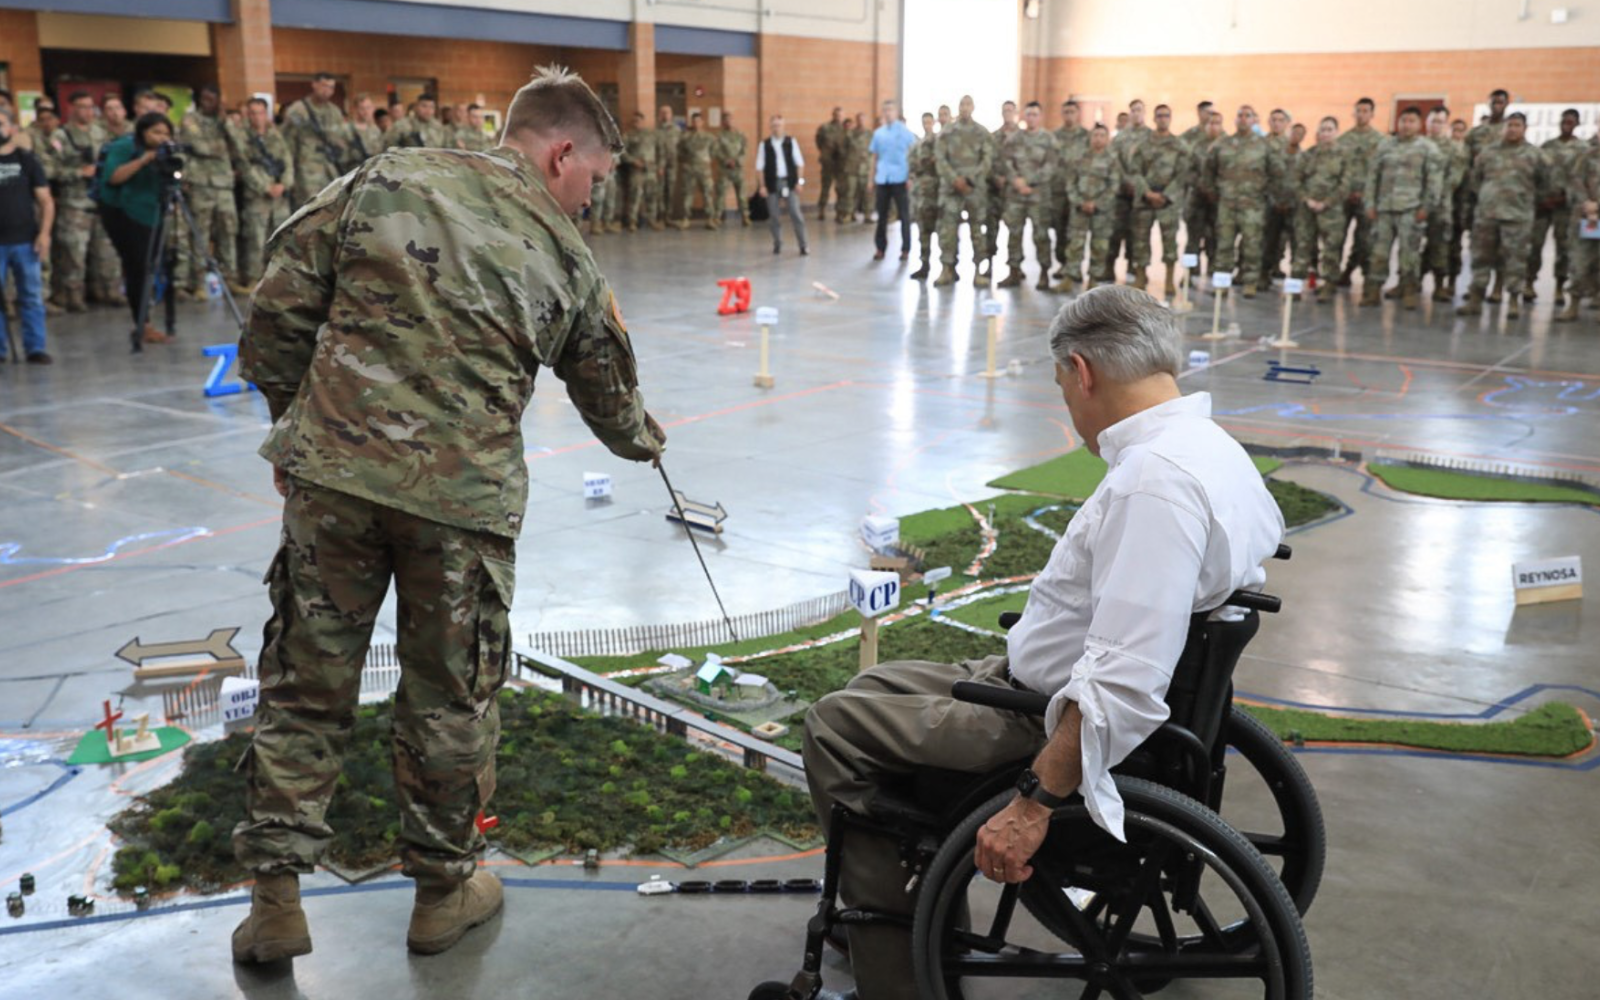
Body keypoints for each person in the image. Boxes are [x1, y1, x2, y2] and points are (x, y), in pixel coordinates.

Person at [230, 65, 665, 964]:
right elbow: (611, 402)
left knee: (305, 682)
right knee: (449, 698)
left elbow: (279, 297)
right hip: (461, 509)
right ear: (561, 153)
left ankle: (274, 903)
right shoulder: (565, 254)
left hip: (335, 482)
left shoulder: (388, 175)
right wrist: (648, 444)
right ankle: (441, 893)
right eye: (594, 177)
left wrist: (297, 425)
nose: (592, 199)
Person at [802, 285, 1284, 1000]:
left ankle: (895, 949)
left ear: (1081, 372)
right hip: (1051, 682)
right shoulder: (1209, 447)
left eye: (1062, 387)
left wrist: (1031, 803)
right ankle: (896, 905)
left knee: (832, 727)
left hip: (1043, 720)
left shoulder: (1152, 485)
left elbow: (1122, 681)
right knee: (874, 686)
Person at [1457, 112, 1550, 320]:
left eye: (1517, 125)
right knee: (1481, 258)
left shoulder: (1536, 155)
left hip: (1518, 217)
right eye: (1510, 125)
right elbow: (1476, 180)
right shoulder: (1488, 152)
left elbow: (1545, 185)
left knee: (1515, 261)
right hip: (1487, 215)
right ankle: (1475, 299)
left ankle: (1514, 301)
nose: (1512, 129)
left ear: (1525, 128)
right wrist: (1487, 197)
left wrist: (1526, 202)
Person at [99, 111, 177, 347]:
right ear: (142, 132)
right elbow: (113, 177)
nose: (161, 137)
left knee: (159, 264)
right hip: (123, 212)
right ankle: (142, 324)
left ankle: (164, 322)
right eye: (156, 132)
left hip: (152, 213)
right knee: (139, 268)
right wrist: (144, 159)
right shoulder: (124, 146)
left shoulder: (166, 151)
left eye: (166, 133)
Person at [1361, 106, 1441, 309]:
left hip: (1411, 209)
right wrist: (1369, 203)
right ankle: (1373, 291)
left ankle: (1409, 291)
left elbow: (1434, 182)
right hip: (1384, 209)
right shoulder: (1385, 145)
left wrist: (1426, 207)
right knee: (1378, 253)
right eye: (1403, 120)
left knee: (1409, 254)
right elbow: (1372, 176)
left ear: (1420, 124)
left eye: (1411, 121)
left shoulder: (1428, 148)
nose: (1406, 125)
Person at [51, 90, 121, 312]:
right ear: (71, 108)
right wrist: (79, 172)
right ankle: (72, 296)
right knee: (74, 253)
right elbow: (49, 169)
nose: (88, 111)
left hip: (101, 201)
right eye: (82, 106)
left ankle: (109, 290)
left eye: (91, 107)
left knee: (107, 250)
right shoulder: (60, 136)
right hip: (75, 204)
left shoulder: (102, 133)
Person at [1205, 105, 1284, 298]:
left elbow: (1277, 172)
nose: (1243, 119)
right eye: (1240, 115)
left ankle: (1250, 282)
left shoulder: (1264, 145)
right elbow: (1209, 169)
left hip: (1253, 206)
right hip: (1227, 205)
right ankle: (1222, 282)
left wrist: (1268, 195)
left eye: (1247, 116)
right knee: (1224, 245)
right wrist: (1212, 191)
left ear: (1254, 120)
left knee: (1252, 245)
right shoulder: (1223, 144)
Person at [176, 84, 242, 298]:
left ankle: (230, 279)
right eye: (204, 99)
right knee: (201, 234)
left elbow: (240, 146)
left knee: (228, 232)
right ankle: (199, 282)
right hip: (200, 184)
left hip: (224, 185)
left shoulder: (225, 122)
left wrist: (226, 122)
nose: (208, 103)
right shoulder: (190, 120)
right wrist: (220, 147)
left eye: (212, 99)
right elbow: (198, 146)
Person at [0, 108, 54, 364]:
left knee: (31, 296)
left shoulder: (27, 160)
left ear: (12, 128)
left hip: (25, 239)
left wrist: (44, 234)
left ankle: (35, 347)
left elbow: (45, 200)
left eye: (1, 123)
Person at [1126, 103, 1189, 296]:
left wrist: (1166, 195)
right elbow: (1135, 171)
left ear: (1170, 119)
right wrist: (1147, 193)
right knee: (1140, 240)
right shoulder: (1143, 145)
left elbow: (1182, 174)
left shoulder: (1179, 145)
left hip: (1167, 201)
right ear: (1154, 118)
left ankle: (1169, 279)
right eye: (1159, 115)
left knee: (1170, 241)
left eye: (1166, 116)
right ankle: (1140, 276)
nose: (1163, 119)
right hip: (1145, 200)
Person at [933, 95, 994, 288]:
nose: (965, 108)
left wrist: (969, 180)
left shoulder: (982, 132)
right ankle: (947, 269)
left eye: (968, 104)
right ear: (958, 107)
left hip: (974, 190)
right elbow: (940, 158)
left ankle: (978, 272)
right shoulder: (947, 132)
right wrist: (954, 180)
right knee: (948, 231)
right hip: (951, 190)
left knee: (977, 231)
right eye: (962, 104)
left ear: (973, 107)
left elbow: (987, 159)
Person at [996, 100, 1058, 289]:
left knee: (1041, 235)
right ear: (1024, 116)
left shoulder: (1049, 140)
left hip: (1038, 195)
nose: (1031, 118)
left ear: (1040, 117)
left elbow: (1051, 166)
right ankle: (1013, 271)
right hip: (1016, 195)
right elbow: (1006, 162)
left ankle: (1044, 273)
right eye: (1028, 114)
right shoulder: (1014, 139)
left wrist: (1029, 182)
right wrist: (1016, 180)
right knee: (1014, 233)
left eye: (1035, 114)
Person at [233, 97, 294, 287]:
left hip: (280, 198)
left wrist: (284, 184)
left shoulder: (275, 135)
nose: (257, 117)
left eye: (260, 113)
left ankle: (278, 278)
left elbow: (287, 161)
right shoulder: (241, 137)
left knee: (281, 238)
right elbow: (244, 166)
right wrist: (265, 187)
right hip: (257, 197)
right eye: (253, 113)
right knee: (255, 239)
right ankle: (254, 278)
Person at [1527, 108, 1584, 307]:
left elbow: (1582, 178)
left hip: (1566, 207)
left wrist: (1565, 197)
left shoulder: (1582, 149)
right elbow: (1537, 173)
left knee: (1564, 248)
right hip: (1543, 205)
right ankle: (1529, 283)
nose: (1566, 124)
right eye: (1564, 121)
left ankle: (1559, 287)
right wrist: (1540, 197)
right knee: (1534, 244)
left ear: (1577, 124)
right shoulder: (1547, 146)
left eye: (1570, 122)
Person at [1055, 122, 1120, 293]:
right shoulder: (1079, 158)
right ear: (1090, 138)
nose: (1098, 139)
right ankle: (1069, 278)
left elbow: (1113, 186)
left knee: (1100, 245)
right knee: (1075, 244)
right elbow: (1071, 183)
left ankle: (1094, 279)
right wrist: (1080, 202)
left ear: (1107, 139)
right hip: (1079, 210)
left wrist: (1097, 204)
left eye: (1102, 135)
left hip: (1102, 212)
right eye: (1095, 135)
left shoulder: (1112, 160)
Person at [1291, 116, 1347, 303]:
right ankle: (1295, 285)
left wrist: (1327, 202)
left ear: (1336, 132)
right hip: (1306, 209)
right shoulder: (1308, 155)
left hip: (1331, 211)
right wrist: (1306, 199)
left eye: (1330, 130)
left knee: (1330, 249)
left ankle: (1329, 285)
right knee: (1302, 247)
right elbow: (1296, 180)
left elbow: (1345, 184)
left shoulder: (1344, 156)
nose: (1326, 133)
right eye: (1323, 129)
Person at [284, 72, 354, 205]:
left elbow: (341, 140)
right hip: (307, 172)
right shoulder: (298, 110)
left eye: (331, 87)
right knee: (309, 208)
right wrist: (290, 174)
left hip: (331, 170)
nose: (327, 90)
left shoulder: (334, 111)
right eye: (324, 86)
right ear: (314, 85)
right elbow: (288, 145)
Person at [1424, 106, 1471, 302]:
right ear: (1427, 122)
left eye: (1440, 122)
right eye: (1433, 121)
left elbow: (1454, 180)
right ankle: (1408, 282)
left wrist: (1432, 196)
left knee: (1440, 246)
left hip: (1441, 205)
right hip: (1413, 204)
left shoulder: (1454, 149)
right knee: (1410, 245)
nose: (1436, 125)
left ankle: (1439, 285)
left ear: (1445, 125)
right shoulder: (1418, 144)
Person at [1335, 97, 1383, 286]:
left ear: (1372, 114)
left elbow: (1381, 172)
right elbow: (1336, 169)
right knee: (1337, 236)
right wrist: (1345, 191)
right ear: (1353, 113)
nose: (1361, 115)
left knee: (1364, 239)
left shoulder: (1380, 141)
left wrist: (1367, 193)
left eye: (1365, 111)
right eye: (1358, 111)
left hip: (1367, 197)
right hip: (1343, 197)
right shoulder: (1342, 140)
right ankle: (1333, 274)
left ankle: (1352, 269)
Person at [1556, 139, 1599, 323]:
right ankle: (1573, 304)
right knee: (1579, 263)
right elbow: (1574, 182)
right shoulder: (1585, 157)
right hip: (1585, 218)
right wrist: (1586, 204)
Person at [868, 100, 916, 262]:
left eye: (891, 110)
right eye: (885, 110)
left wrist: (911, 176)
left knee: (904, 215)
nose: (888, 113)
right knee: (881, 216)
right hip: (883, 179)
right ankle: (880, 248)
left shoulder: (905, 132)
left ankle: (905, 249)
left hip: (900, 179)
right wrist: (871, 179)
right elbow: (874, 157)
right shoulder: (878, 134)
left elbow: (913, 155)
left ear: (896, 113)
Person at [756, 113, 808, 256]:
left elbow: (800, 164)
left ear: (783, 126)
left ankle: (803, 245)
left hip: (789, 183)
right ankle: (777, 243)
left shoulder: (791, 142)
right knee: (774, 215)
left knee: (795, 213)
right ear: (770, 127)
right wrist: (762, 186)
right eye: (774, 125)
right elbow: (759, 168)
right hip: (772, 183)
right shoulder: (764, 145)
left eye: (779, 125)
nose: (776, 128)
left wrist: (800, 182)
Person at [1053, 100, 1091, 282]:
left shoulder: (1086, 136)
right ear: (1062, 114)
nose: (1069, 115)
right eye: (1066, 112)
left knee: (1076, 230)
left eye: (1072, 112)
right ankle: (1063, 263)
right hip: (1058, 190)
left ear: (1078, 114)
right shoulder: (1054, 136)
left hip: (1079, 190)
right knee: (1060, 229)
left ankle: (1075, 266)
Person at [1184, 111, 1225, 276]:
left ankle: (1213, 270)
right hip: (1197, 199)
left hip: (1218, 200)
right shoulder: (1196, 146)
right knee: (1193, 238)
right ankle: (1190, 272)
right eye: (1210, 123)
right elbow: (1188, 171)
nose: (1213, 127)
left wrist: (1215, 189)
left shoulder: (1227, 145)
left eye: (1217, 123)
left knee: (1215, 237)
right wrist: (1202, 186)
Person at [907, 108, 944, 280]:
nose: (926, 125)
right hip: (921, 193)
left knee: (943, 231)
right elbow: (913, 165)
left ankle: (947, 267)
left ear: (933, 123)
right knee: (923, 231)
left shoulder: (939, 141)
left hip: (938, 192)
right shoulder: (917, 144)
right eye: (924, 123)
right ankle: (924, 264)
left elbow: (940, 162)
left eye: (929, 122)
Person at [675, 111, 718, 230]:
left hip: (704, 170)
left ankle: (710, 219)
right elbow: (679, 152)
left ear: (702, 122)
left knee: (708, 193)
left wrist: (707, 160)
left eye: (698, 121)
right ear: (691, 123)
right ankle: (685, 219)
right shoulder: (685, 137)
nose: (696, 123)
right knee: (687, 194)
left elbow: (714, 151)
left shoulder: (709, 137)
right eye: (694, 121)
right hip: (689, 169)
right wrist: (686, 161)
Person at [621, 110, 660, 231]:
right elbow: (622, 152)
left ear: (643, 121)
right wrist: (633, 161)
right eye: (634, 121)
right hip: (636, 170)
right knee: (635, 196)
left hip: (651, 170)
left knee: (652, 196)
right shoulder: (628, 135)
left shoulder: (652, 135)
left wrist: (659, 165)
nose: (636, 123)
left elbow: (660, 151)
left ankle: (652, 220)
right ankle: (632, 222)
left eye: (638, 121)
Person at [714, 111, 750, 228]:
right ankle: (717, 217)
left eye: (730, 119)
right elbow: (716, 151)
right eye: (726, 120)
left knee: (742, 194)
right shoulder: (719, 136)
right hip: (724, 170)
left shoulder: (740, 135)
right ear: (722, 122)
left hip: (738, 169)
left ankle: (745, 216)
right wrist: (726, 161)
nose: (728, 122)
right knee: (720, 193)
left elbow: (745, 150)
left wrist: (737, 161)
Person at [384, 93, 449, 149]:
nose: (428, 110)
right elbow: (389, 147)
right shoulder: (401, 125)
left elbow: (444, 148)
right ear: (415, 107)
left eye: (432, 107)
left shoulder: (438, 127)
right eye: (424, 106)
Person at [815, 107, 846, 220]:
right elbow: (818, 141)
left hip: (841, 164)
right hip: (828, 162)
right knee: (825, 187)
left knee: (840, 188)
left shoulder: (846, 128)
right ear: (833, 115)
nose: (838, 117)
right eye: (836, 115)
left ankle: (839, 211)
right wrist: (825, 152)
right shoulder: (825, 128)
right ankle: (822, 209)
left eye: (840, 115)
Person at [349, 93, 383, 163]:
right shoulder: (348, 130)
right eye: (362, 108)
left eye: (368, 107)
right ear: (355, 109)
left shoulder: (376, 130)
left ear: (373, 108)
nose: (366, 111)